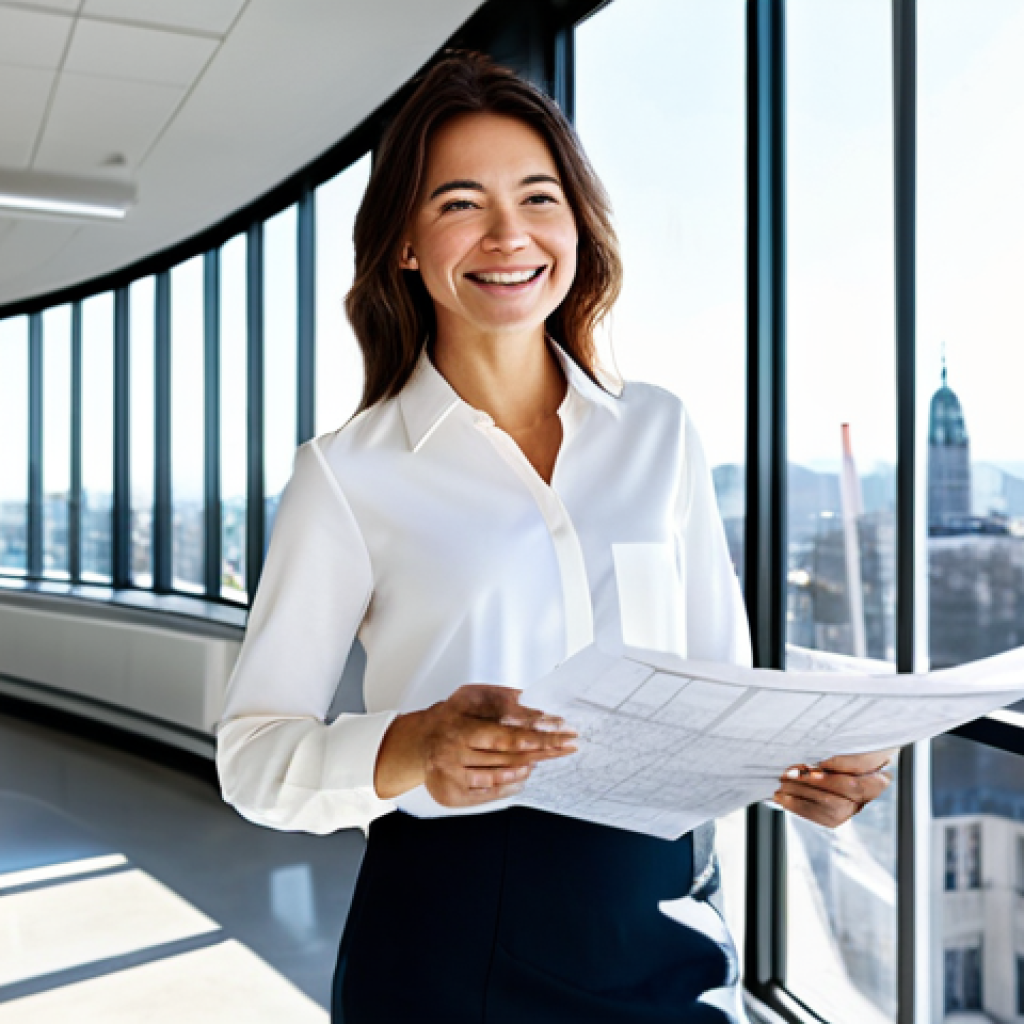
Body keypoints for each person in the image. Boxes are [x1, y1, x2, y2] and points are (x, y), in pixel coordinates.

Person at [216, 52, 893, 1024]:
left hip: (668, 914)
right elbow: (254, 760)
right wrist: (411, 746)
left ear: (575, 223)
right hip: (454, 931)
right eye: (458, 203)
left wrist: (798, 768)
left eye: (538, 197)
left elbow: (718, 686)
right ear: (403, 243)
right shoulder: (349, 474)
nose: (507, 235)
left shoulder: (657, 433)